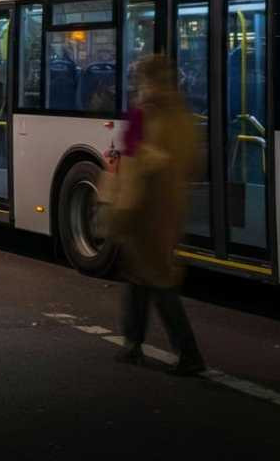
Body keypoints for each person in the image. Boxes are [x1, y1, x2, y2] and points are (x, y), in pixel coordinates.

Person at [110, 55, 205, 376]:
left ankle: (188, 353)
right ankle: (132, 344)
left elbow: (133, 166)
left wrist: (122, 210)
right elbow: (192, 161)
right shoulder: (183, 114)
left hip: (145, 209)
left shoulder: (143, 114)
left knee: (155, 280)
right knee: (141, 277)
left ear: (146, 80)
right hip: (171, 207)